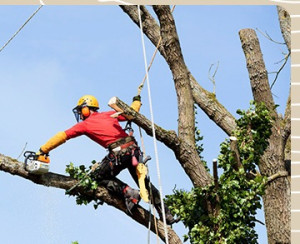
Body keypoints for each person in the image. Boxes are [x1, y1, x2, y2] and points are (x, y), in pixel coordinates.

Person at [37, 94, 177, 225]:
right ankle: (166, 214)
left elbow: (63, 135)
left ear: (86, 109)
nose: (80, 114)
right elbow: (132, 112)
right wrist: (137, 101)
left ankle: (128, 192)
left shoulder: (85, 124)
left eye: (81, 110)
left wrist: (43, 149)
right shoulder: (110, 114)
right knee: (145, 184)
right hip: (133, 151)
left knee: (97, 177)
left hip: (119, 153)